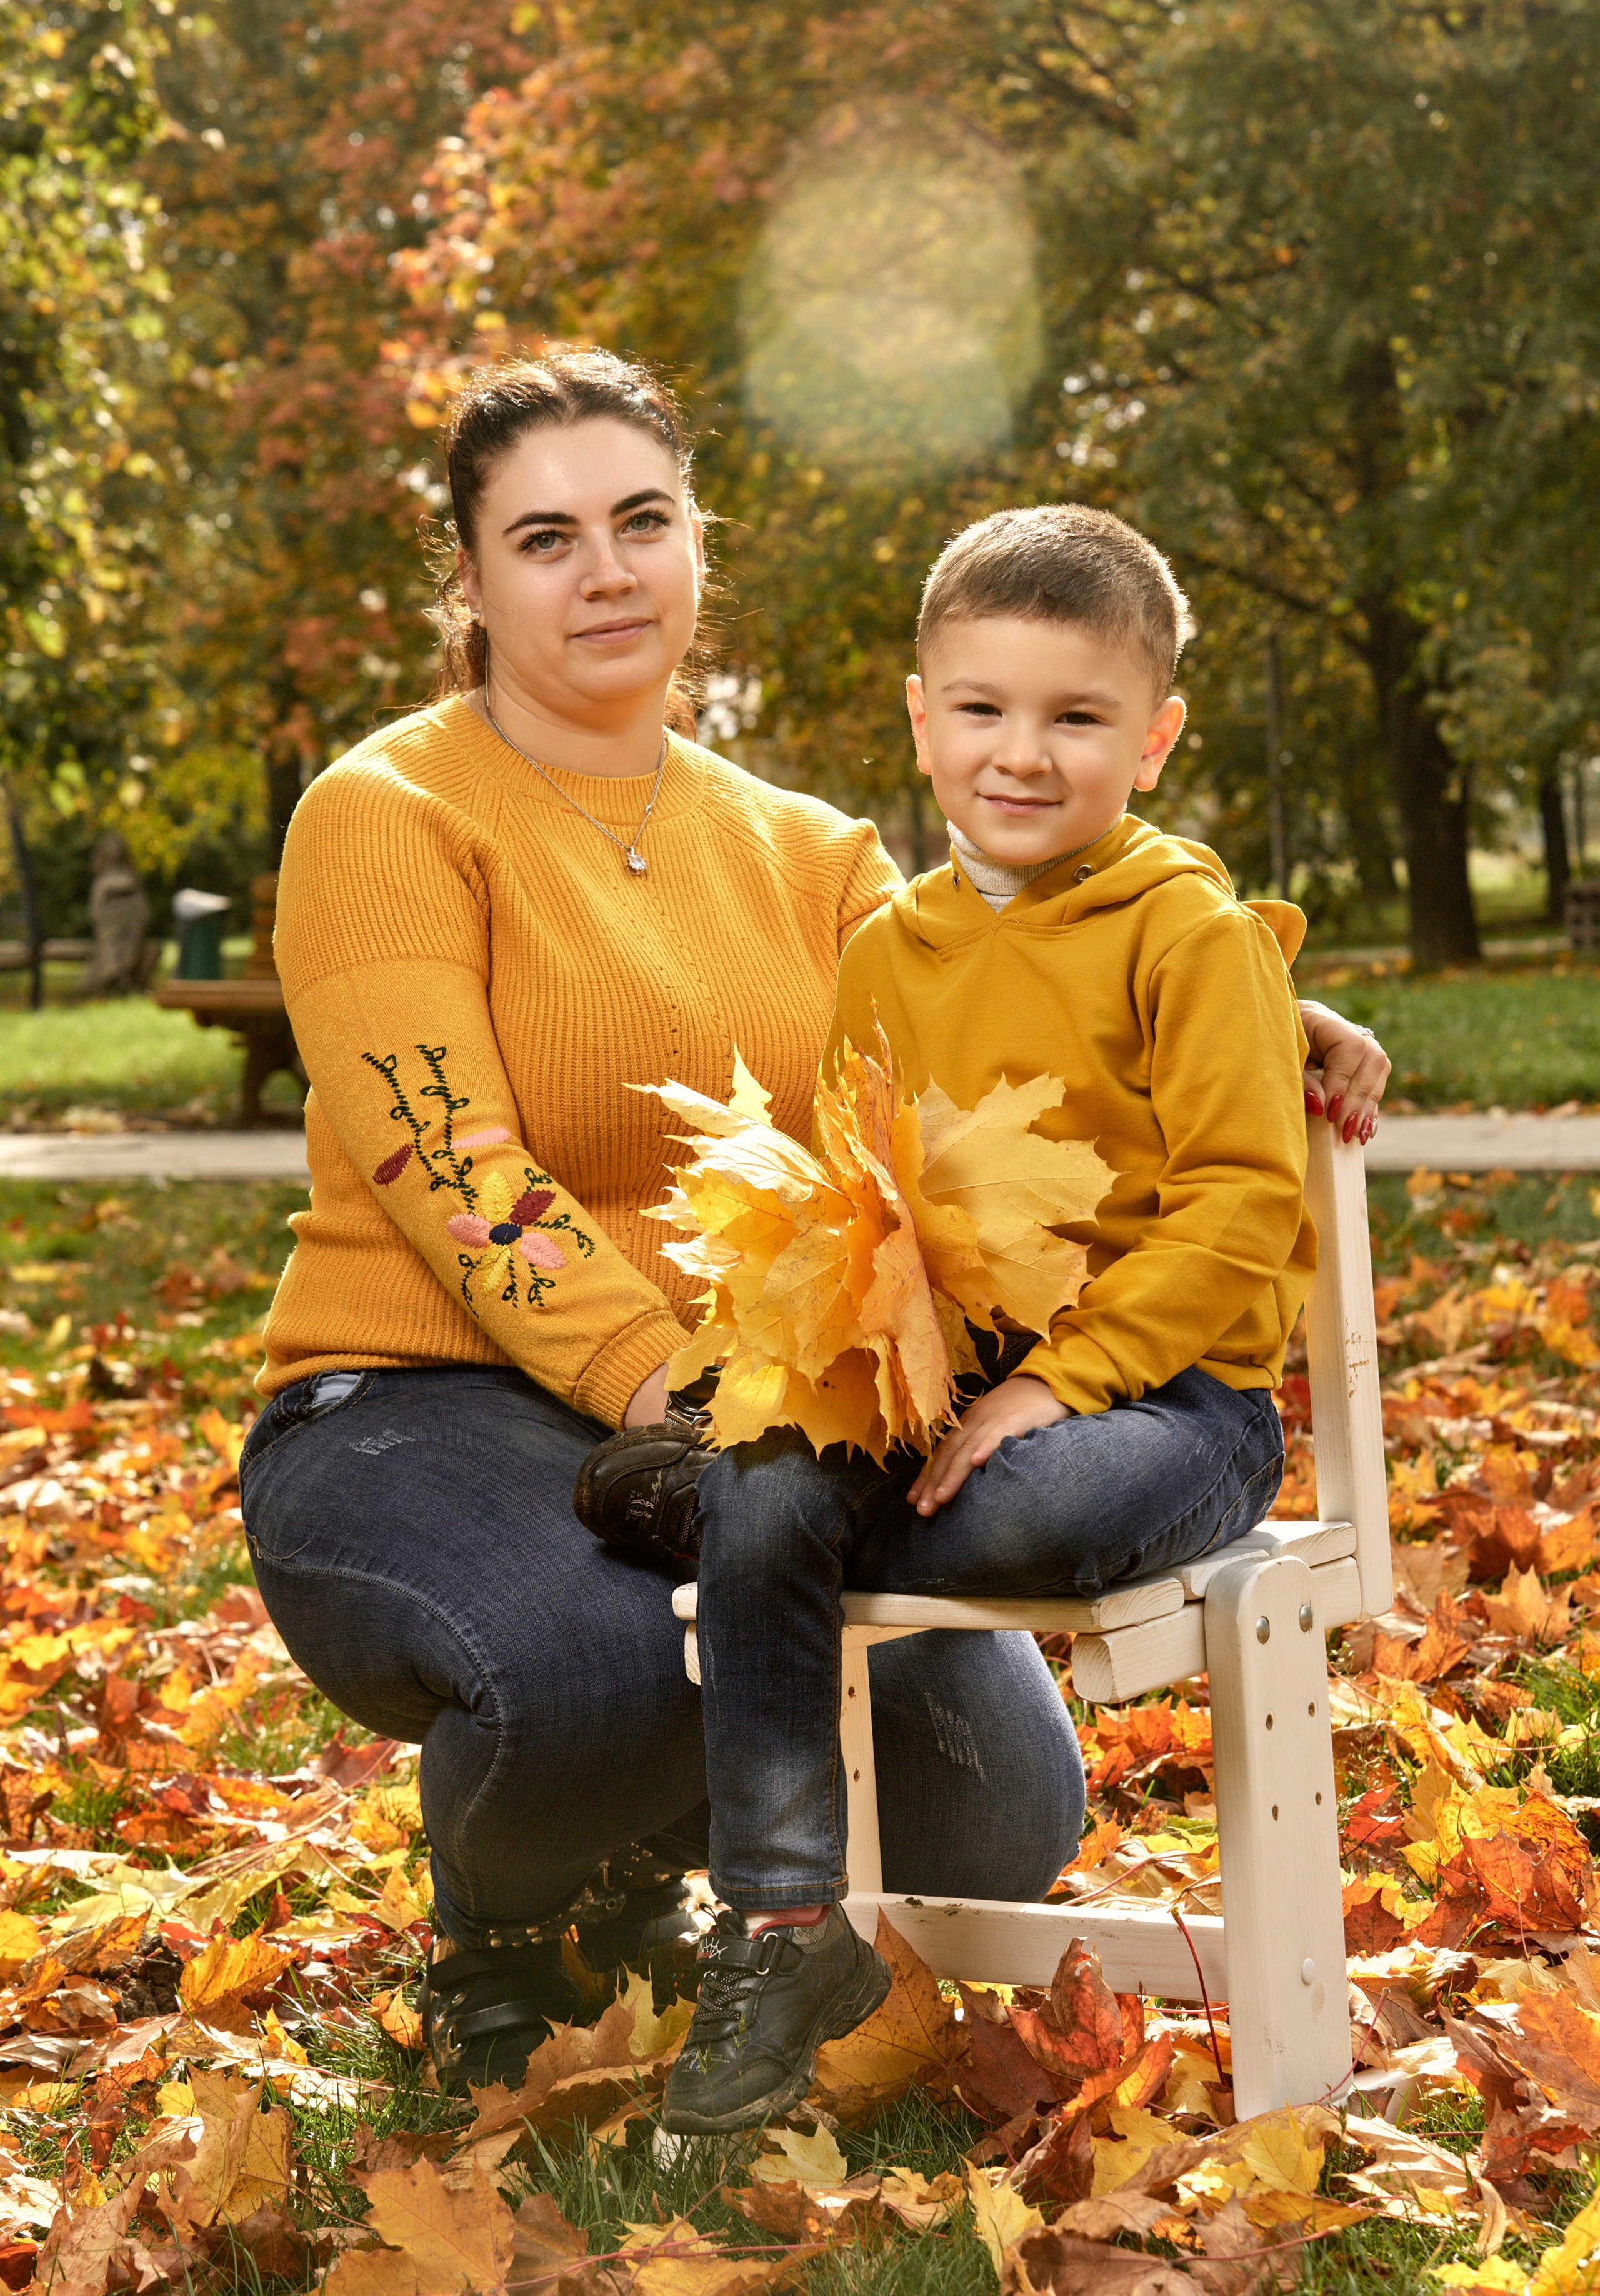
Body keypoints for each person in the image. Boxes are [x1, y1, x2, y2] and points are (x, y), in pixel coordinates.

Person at [236, 349, 1389, 2098]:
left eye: (643, 520)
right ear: (467, 584)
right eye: (543, 538)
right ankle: (506, 1913)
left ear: (700, 546)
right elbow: (451, 1169)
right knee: (607, 1659)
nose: (605, 568)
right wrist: (676, 1394)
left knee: (1001, 1817)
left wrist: (1247, 1006)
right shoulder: (387, 814)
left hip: (762, 1412)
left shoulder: (812, 851)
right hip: (422, 1400)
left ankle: (660, 1859)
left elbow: (1020, 979)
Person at [654, 504, 1331, 2135]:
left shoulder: (1187, 931)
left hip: (1174, 1401)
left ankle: (782, 1550)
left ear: (1154, 738)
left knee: (1024, 1516)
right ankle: (787, 1926)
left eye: (1076, 716)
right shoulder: (888, 951)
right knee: (758, 1480)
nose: (1021, 754)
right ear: (923, 717)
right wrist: (779, 1379)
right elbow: (862, 1213)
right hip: (943, 1389)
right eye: (983, 709)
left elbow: (1244, 1213)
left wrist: (1066, 1386)